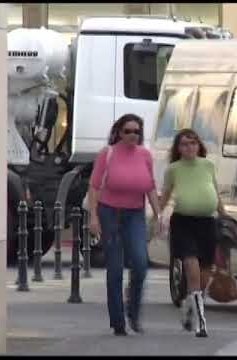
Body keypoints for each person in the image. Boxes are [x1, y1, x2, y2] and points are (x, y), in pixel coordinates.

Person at [87, 114, 161, 336]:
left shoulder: (145, 156)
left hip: (135, 214)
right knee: (115, 269)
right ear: (119, 132)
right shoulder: (107, 154)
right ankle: (118, 321)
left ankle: (134, 311)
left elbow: (150, 186)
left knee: (140, 263)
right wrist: (93, 217)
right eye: (128, 131)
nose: (132, 135)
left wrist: (159, 214)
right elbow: (94, 186)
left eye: (136, 132)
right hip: (110, 213)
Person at [159, 128, 226, 338]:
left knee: (205, 271)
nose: (189, 147)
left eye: (193, 143)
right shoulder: (173, 169)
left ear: (199, 146)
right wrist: (157, 216)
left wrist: (225, 215)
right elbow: (166, 195)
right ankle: (201, 322)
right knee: (191, 265)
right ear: (178, 148)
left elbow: (215, 191)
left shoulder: (208, 165)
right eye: (185, 144)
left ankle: (190, 302)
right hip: (183, 222)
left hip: (207, 223)